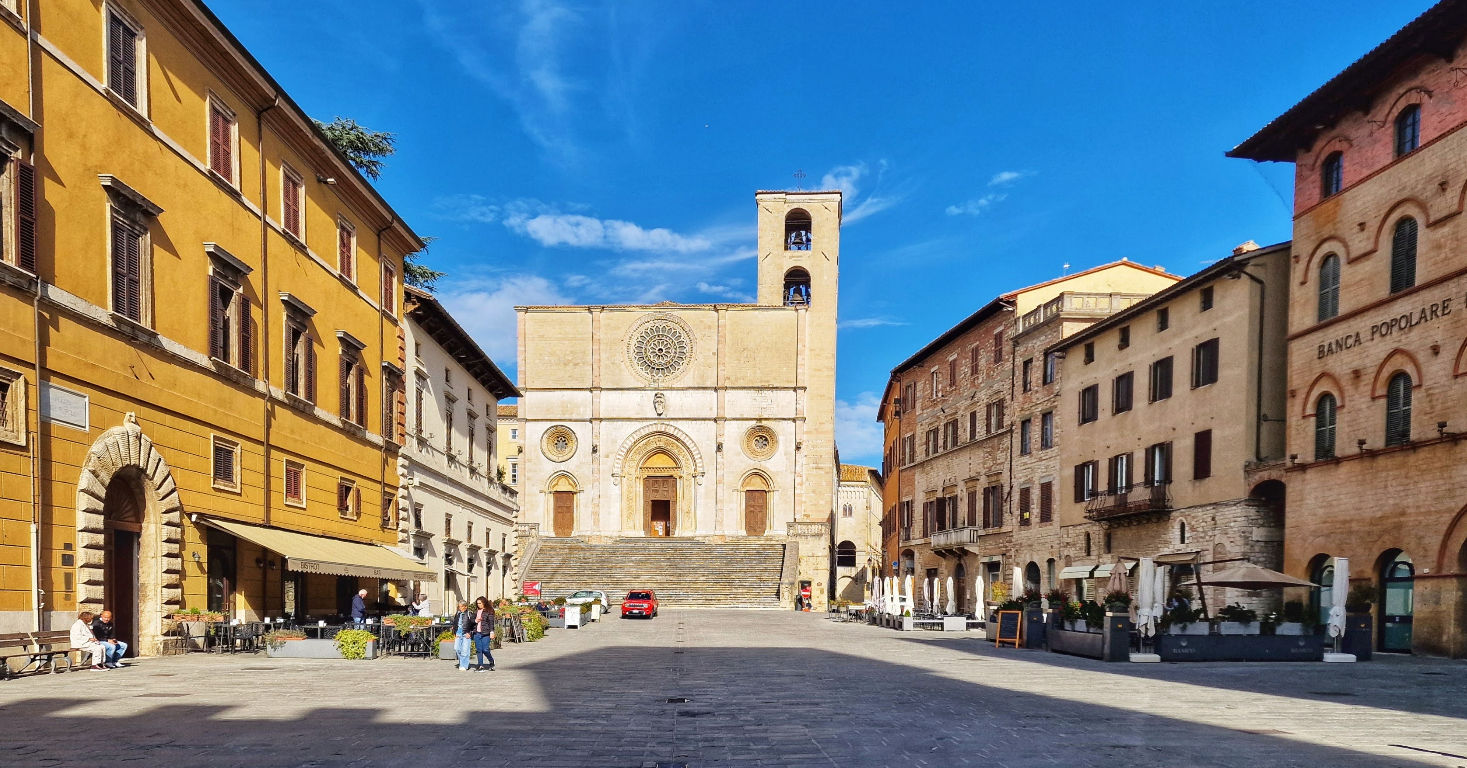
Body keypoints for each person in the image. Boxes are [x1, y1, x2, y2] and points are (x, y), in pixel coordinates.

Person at [472, 596, 496, 671]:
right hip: (477, 633)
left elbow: (491, 622)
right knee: (479, 649)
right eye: (477, 603)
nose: (479, 605)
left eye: (480, 603)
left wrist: (492, 632)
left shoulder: (489, 611)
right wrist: (475, 620)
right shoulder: (476, 611)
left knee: (485, 649)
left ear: (484, 603)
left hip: (486, 633)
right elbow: (472, 621)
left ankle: (491, 660)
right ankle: (480, 665)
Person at [449, 600, 474, 671]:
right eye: (459, 607)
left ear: (465, 607)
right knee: (457, 648)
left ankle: (464, 665)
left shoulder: (470, 614)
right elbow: (454, 623)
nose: (460, 608)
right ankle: (463, 662)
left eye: (461, 607)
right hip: (458, 633)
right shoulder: (458, 613)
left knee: (465, 650)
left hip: (466, 633)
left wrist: (470, 633)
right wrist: (454, 633)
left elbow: (474, 625)